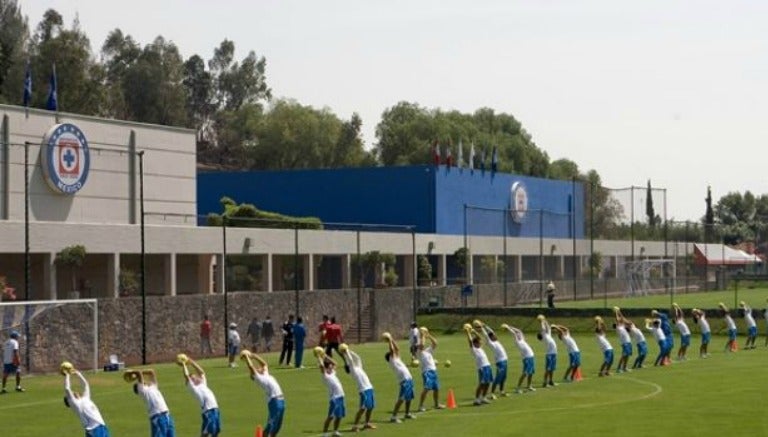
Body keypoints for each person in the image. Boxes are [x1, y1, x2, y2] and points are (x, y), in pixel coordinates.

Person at [242, 351, 285, 437]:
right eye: (257, 369)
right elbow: (251, 367)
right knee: (270, 427)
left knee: (276, 428)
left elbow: (264, 364)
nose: (259, 368)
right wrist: (247, 357)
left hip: (281, 401)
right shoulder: (259, 379)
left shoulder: (266, 375)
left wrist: (254, 356)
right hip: (275, 402)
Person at [127, 369, 176, 437]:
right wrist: (132, 372)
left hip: (167, 416)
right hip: (158, 417)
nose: (144, 381)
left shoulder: (153, 387)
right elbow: (139, 373)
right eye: (142, 382)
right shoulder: (142, 391)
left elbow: (151, 372)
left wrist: (138, 373)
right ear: (138, 387)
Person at [63, 368, 110, 437]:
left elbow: (86, 385)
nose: (74, 392)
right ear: (70, 401)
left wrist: (78, 374)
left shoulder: (85, 397)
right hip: (94, 430)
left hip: (102, 426)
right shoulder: (76, 404)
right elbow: (67, 388)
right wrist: (67, 375)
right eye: (72, 393)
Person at [180, 357, 221, 437]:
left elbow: (201, 371)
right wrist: (184, 364)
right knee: (206, 433)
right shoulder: (193, 388)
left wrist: (191, 361)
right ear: (192, 381)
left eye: (196, 376)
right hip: (208, 411)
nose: (196, 377)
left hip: (215, 410)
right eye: (193, 378)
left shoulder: (203, 384)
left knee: (216, 432)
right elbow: (186, 376)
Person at [340, 345, 376, 432]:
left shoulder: (358, 368)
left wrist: (349, 350)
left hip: (369, 388)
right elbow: (351, 360)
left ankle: (367, 423)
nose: (351, 364)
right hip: (363, 390)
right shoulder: (353, 371)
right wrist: (346, 353)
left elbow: (358, 358)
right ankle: (355, 426)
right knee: (362, 408)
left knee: (370, 407)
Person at [383, 331, 416, 422]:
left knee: (409, 397)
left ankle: (407, 413)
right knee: (401, 398)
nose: (394, 354)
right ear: (390, 357)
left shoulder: (396, 359)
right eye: (392, 354)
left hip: (409, 379)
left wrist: (392, 339)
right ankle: (393, 417)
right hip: (404, 381)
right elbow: (392, 350)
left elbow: (397, 349)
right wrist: (389, 341)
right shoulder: (392, 361)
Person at [475, 320, 509, 397]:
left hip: (504, 360)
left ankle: (501, 391)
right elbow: (487, 336)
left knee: (504, 377)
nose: (495, 335)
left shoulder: (496, 341)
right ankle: (492, 393)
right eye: (493, 335)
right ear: (491, 337)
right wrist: (482, 328)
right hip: (500, 362)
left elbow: (491, 331)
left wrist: (485, 325)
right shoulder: (491, 343)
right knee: (498, 377)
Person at [415, 328, 445, 412]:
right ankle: (420, 406)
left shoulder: (428, 351)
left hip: (433, 371)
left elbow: (435, 343)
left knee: (436, 388)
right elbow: (422, 345)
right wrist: (423, 336)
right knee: (427, 388)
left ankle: (436, 404)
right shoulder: (419, 352)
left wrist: (429, 335)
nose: (420, 345)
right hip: (427, 372)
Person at [501, 324, 535, 393]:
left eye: (519, 334)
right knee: (525, 373)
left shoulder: (522, 339)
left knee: (531, 372)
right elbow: (514, 334)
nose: (518, 334)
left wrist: (510, 327)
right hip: (526, 358)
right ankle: (518, 388)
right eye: (517, 335)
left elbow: (519, 331)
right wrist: (508, 328)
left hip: (531, 356)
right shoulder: (517, 342)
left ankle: (529, 386)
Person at [317, 354, 345, 437]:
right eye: (330, 366)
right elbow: (322, 366)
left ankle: (335, 431)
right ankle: (324, 434)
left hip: (341, 396)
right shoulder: (325, 375)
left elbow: (335, 363)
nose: (332, 366)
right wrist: (319, 357)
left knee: (339, 416)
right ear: (327, 367)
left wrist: (325, 356)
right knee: (331, 416)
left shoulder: (332, 373)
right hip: (334, 398)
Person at [464, 325, 492, 405]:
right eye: (479, 342)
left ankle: (483, 397)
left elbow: (480, 338)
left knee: (488, 382)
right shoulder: (474, 349)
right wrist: (468, 332)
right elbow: (470, 341)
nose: (480, 343)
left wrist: (474, 332)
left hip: (487, 366)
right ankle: (476, 399)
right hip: (482, 367)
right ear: (475, 343)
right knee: (482, 383)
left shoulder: (480, 348)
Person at [537, 316, 557, 387]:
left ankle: (551, 381)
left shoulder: (548, 335)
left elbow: (548, 328)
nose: (542, 331)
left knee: (552, 369)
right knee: (548, 369)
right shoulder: (544, 337)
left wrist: (545, 320)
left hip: (554, 353)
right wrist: (542, 321)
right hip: (550, 354)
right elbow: (543, 328)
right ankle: (544, 382)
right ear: (541, 335)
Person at [612, 307, 632, 373]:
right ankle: (618, 368)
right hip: (624, 343)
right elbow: (617, 319)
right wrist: (616, 313)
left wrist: (619, 311)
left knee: (627, 355)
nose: (620, 320)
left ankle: (624, 367)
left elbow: (623, 318)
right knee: (624, 355)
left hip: (628, 341)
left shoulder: (622, 325)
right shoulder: (618, 327)